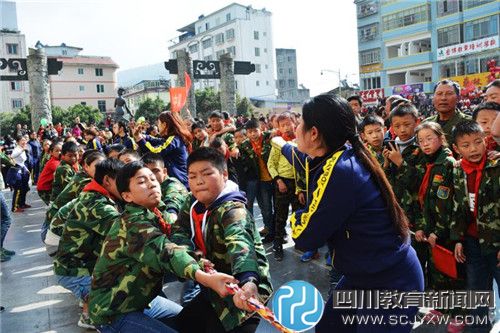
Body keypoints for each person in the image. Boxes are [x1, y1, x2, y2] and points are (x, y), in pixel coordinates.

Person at [272, 93, 423, 332]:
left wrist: (297, 214)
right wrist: (280, 144)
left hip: (387, 285)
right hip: (365, 275)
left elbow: (304, 237)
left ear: (314, 133)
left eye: (300, 122)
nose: (295, 127)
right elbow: (301, 157)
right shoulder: (346, 151)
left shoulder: (340, 172)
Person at [89, 161, 237, 332]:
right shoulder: (132, 224)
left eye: (153, 178)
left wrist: (202, 263)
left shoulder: (158, 214)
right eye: (142, 181)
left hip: (140, 300)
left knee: (187, 320)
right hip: (113, 311)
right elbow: (166, 252)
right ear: (127, 196)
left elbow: (176, 241)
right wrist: (205, 277)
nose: (151, 184)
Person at [170, 147, 273, 333]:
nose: (199, 181)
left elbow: (240, 243)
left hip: (243, 293)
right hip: (213, 289)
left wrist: (248, 280)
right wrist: (191, 254)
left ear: (224, 174)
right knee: (184, 323)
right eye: (192, 176)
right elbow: (180, 230)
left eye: (206, 173)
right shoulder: (191, 202)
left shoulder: (233, 210)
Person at [53, 159, 123, 329]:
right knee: (116, 298)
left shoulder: (97, 194)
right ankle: (90, 313)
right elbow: (126, 232)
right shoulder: (97, 204)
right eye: (122, 181)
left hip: (76, 263)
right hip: (73, 270)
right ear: (107, 181)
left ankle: (87, 299)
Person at [451, 120, 499, 333]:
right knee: (477, 292)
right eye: (466, 145)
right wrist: (458, 239)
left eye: (478, 142)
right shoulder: (456, 169)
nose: (473, 149)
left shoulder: (496, 166)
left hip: (496, 243)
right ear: (456, 148)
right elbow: (458, 207)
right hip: (472, 243)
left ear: (486, 141)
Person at [267, 112, 304, 261]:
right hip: (282, 182)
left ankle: (299, 241)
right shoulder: (278, 143)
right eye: (283, 125)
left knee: (298, 214)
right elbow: (271, 164)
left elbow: (303, 166)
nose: (287, 127)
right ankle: (278, 245)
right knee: (280, 216)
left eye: (289, 124)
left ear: (295, 123)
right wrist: (279, 181)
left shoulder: (300, 142)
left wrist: (301, 188)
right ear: (279, 128)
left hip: (298, 184)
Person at [238, 119, 274, 243]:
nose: (253, 134)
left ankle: (276, 231)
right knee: (264, 206)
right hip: (260, 179)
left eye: (255, 131)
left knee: (270, 206)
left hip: (274, 177)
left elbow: (275, 131)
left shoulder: (269, 137)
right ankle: (268, 228)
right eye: (250, 132)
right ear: (247, 133)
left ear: (261, 129)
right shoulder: (245, 145)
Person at [134, 111, 192, 187]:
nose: (157, 126)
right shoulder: (172, 138)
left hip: (179, 185)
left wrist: (139, 138)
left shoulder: (174, 139)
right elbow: (156, 140)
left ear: (164, 125)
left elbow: (155, 151)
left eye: (158, 123)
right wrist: (142, 136)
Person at [142, 153, 188, 224]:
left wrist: (171, 212)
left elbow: (172, 205)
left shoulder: (173, 185)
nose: (152, 176)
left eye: (155, 171)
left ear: (164, 172)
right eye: (147, 173)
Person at [425, 79, 470, 144]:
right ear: (433, 98)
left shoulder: (468, 123)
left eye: (449, 94)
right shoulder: (426, 124)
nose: (443, 98)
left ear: (458, 98)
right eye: (439, 94)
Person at [8, 135, 31, 212]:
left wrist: (26, 169)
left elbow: (22, 162)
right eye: (22, 140)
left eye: (24, 140)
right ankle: (14, 207)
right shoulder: (17, 149)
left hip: (22, 170)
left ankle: (22, 204)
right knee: (17, 189)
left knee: (24, 188)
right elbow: (12, 156)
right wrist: (22, 150)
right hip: (16, 172)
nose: (24, 142)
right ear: (18, 142)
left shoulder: (22, 149)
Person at [36, 141, 62, 205]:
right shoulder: (53, 162)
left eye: (61, 150)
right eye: (57, 151)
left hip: (49, 187)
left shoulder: (58, 160)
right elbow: (62, 171)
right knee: (55, 206)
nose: (59, 153)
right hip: (45, 189)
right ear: (51, 152)